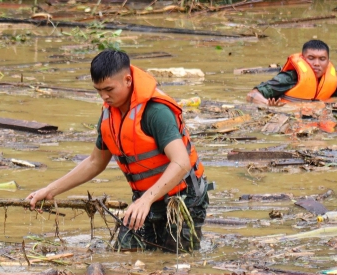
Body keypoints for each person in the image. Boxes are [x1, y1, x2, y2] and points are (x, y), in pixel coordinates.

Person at [27, 50, 209, 253]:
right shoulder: (108, 114)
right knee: (123, 253)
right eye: (98, 90)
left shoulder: (156, 112)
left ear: (128, 80)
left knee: (175, 260)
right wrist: (50, 190)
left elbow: (181, 162)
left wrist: (145, 200)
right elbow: (95, 162)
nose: (104, 96)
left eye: (109, 89)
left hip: (184, 198)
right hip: (146, 198)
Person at [246, 39, 337, 106]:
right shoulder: (290, 78)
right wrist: (267, 104)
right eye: (311, 58)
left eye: (322, 59)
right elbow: (251, 95)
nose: (317, 63)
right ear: (303, 59)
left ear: (328, 61)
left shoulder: (328, 82)